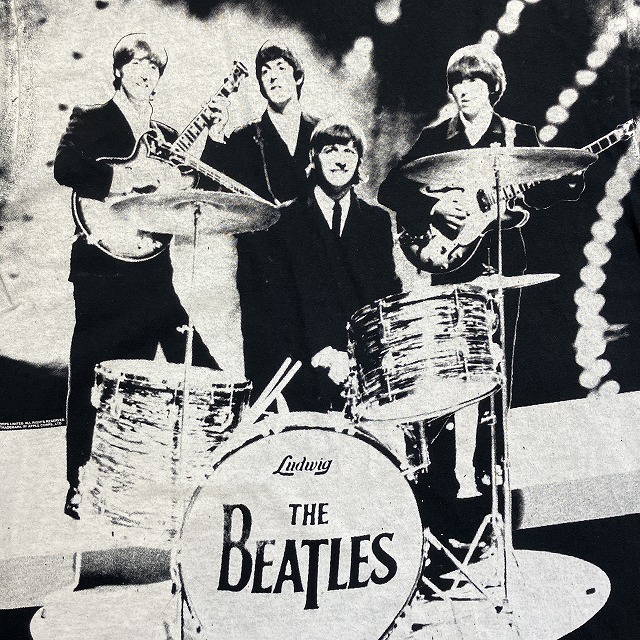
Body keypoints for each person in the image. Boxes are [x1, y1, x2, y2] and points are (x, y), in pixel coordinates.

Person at [378, 44, 582, 539]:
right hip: (450, 270)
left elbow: (543, 189)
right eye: (457, 82)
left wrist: (567, 179)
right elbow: (391, 190)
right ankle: (444, 505)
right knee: (451, 380)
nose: (464, 90)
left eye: (474, 81)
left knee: (499, 383)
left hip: (504, 271)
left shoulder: (518, 136)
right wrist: (433, 210)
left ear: (493, 86)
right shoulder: (435, 138)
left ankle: (494, 500)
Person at [54, 33, 218, 519]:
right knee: (92, 374)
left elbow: (196, 185)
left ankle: (207, 467)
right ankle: (80, 481)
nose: (145, 72)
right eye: (136, 63)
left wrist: (211, 139)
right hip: (101, 267)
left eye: (154, 67)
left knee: (178, 364)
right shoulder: (92, 118)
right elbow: (66, 167)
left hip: (151, 268)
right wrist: (125, 178)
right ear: (119, 70)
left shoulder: (166, 135)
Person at [199, 40, 319, 401]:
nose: (274, 77)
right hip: (262, 276)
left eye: (281, 68)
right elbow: (213, 190)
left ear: (298, 76)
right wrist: (215, 136)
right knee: (267, 384)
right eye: (265, 72)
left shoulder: (324, 133)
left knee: (318, 379)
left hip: (316, 271)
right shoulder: (243, 138)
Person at [257, 118, 402, 411]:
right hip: (302, 373)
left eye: (349, 151)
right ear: (314, 157)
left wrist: (360, 357)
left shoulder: (377, 222)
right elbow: (277, 308)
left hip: (364, 372)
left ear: (359, 161)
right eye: (330, 150)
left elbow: (385, 298)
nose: (340, 160)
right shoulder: (283, 221)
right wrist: (321, 354)